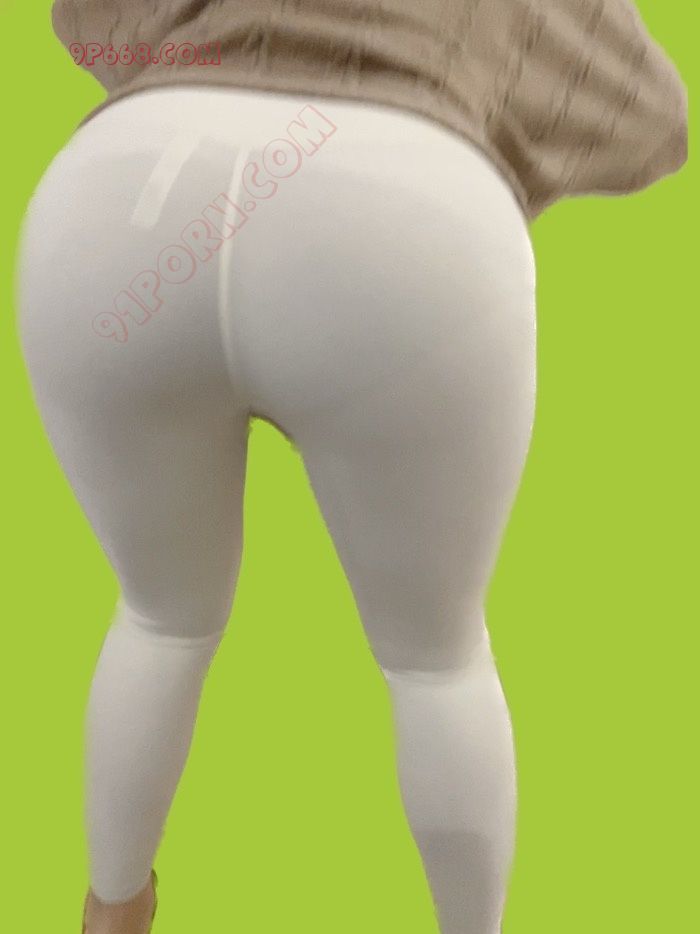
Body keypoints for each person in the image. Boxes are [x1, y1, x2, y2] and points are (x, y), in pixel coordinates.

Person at [16, 2, 687, 932]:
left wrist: (182, 69)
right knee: (435, 662)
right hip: (405, 207)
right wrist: (494, 130)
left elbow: (83, 16)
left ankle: (112, 912)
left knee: (159, 619)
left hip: (129, 192)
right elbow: (655, 119)